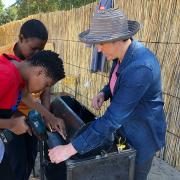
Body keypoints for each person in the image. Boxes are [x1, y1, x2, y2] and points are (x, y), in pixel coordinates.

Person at [48, 9, 167, 180]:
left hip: (141, 135)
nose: (98, 48)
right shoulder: (120, 56)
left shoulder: (140, 67)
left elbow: (111, 120)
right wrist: (104, 93)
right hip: (125, 128)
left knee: (134, 175)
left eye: (101, 42)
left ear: (116, 39)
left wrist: (69, 149)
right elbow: (118, 83)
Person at [1, 19, 66, 180]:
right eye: (47, 83)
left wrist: (49, 116)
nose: (44, 89)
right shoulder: (7, 76)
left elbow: (23, 95)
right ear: (39, 72)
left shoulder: (17, 68)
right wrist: (11, 124)